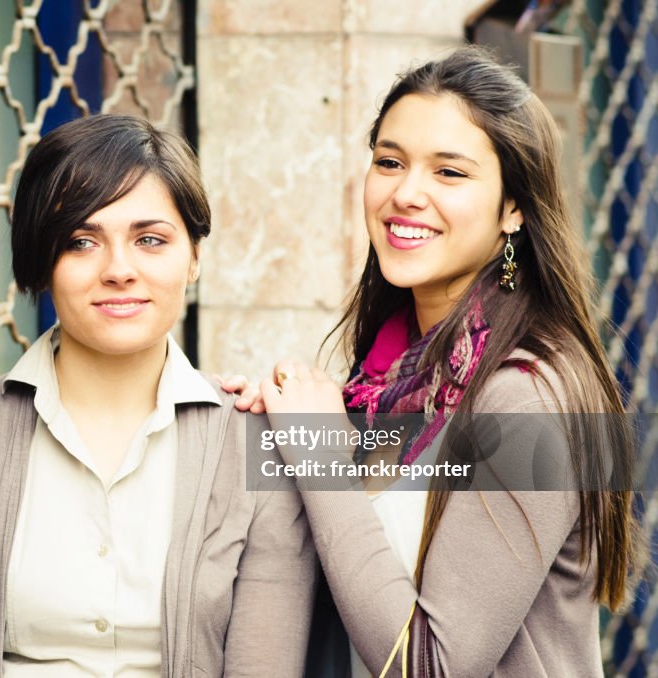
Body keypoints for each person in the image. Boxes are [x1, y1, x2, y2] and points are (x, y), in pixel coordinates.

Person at [248, 47, 641, 676]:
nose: (406, 193)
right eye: (389, 162)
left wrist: (314, 446)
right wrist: (264, 417)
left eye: (449, 173)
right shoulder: (393, 378)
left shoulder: (531, 396)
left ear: (514, 207)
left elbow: (430, 667)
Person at [0, 114, 316, 677]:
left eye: (150, 240)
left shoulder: (256, 440)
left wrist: (321, 439)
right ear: (43, 261)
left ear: (194, 258)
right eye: (82, 241)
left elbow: (481, 454)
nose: (119, 270)